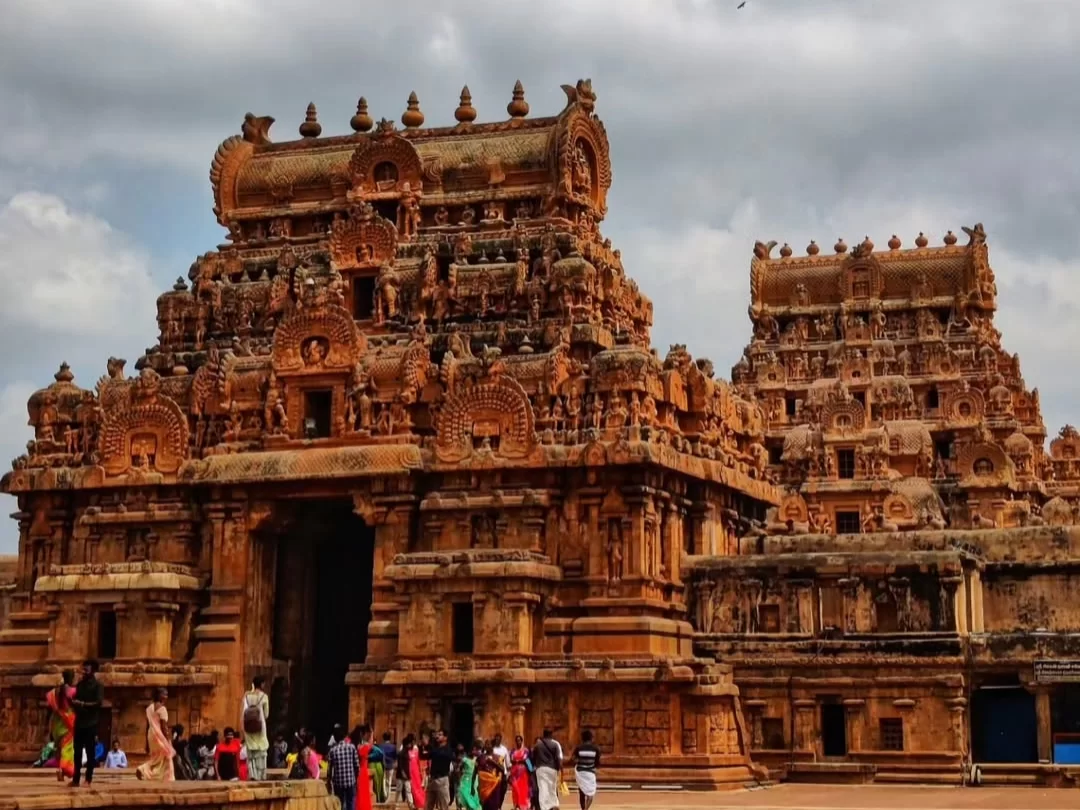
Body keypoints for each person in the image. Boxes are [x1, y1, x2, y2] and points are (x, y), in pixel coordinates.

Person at [70, 659, 104, 788]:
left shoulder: (98, 686)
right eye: (83, 668)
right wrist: (74, 703)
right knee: (77, 752)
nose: (84, 671)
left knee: (90, 753)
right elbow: (76, 698)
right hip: (79, 722)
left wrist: (83, 704)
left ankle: (88, 779)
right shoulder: (80, 685)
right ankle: (75, 779)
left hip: (91, 723)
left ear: (93, 670)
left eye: (87, 669)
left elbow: (98, 703)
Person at [135, 688, 175, 781]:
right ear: (160, 696)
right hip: (159, 735)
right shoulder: (162, 709)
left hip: (151, 734)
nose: (166, 697)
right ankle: (143, 768)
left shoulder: (149, 708)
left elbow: (149, 724)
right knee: (165, 756)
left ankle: (157, 776)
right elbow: (164, 727)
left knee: (158, 757)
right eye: (165, 694)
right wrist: (168, 739)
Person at [46, 669, 76, 781]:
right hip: (68, 721)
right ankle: (64, 769)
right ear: (71, 678)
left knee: (60, 747)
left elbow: (50, 707)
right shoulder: (73, 691)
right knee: (68, 748)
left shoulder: (55, 691)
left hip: (57, 722)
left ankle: (60, 770)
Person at [241, 676, 270, 781]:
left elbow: (243, 712)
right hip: (260, 726)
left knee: (251, 751)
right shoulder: (264, 697)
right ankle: (261, 775)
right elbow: (266, 714)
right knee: (261, 751)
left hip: (248, 726)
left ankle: (252, 775)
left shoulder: (247, 696)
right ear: (261, 684)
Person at [327, 726, 360, 810]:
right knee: (350, 803)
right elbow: (356, 765)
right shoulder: (351, 747)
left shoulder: (332, 750)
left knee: (340, 804)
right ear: (344, 736)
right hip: (350, 781)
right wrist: (356, 779)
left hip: (338, 782)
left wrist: (329, 781)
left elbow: (329, 769)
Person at [531, 729, 562, 810]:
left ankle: (544, 807)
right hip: (552, 768)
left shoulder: (537, 745)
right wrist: (559, 769)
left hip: (541, 768)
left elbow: (533, 758)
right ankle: (554, 805)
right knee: (552, 788)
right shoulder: (555, 744)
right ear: (551, 734)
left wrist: (534, 766)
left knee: (542, 788)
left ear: (543, 734)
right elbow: (558, 758)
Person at [570, 730, 600, 810]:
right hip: (590, 773)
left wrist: (578, 761)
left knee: (582, 793)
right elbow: (597, 762)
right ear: (591, 738)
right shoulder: (596, 748)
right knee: (591, 794)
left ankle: (583, 809)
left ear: (582, 738)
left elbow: (572, 759)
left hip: (581, 772)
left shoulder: (579, 748)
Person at [426, 730, 453, 810]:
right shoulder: (435, 749)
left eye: (440, 735)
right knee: (428, 805)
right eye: (437, 734)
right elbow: (426, 756)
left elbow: (444, 756)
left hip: (442, 780)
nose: (437, 736)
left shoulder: (448, 750)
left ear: (445, 738)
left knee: (444, 806)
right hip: (432, 779)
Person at [508, 736, 532, 810]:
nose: (518, 742)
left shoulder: (525, 751)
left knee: (523, 789)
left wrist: (517, 761)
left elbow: (526, 760)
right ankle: (516, 804)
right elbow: (511, 760)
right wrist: (519, 761)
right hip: (514, 773)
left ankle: (524, 805)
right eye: (517, 741)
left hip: (523, 773)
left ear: (522, 741)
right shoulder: (513, 751)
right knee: (515, 789)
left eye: (519, 740)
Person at [354, 726, 374, 810]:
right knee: (364, 793)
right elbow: (371, 744)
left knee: (359, 794)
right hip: (363, 771)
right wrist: (372, 733)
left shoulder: (357, 746)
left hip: (358, 771)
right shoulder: (365, 747)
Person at [454, 744, 480, 810]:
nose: (474, 751)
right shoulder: (464, 759)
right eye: (473, 750)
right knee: (465, 795)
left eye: (475, 750)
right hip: (465, 781)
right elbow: (458, 769)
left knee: (474, 797)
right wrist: (459, 776)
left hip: (474, 781)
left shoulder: (477, 759)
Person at [490, 734, 509, 807]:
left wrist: (508, 774)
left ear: (501, 739)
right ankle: (496, 806)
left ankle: (499, 805)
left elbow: (507, 762)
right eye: (496, 739)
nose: (497, 740)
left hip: (503, 772)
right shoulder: (491, 749)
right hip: (493, 773)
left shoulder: (504, 749)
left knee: (503, 790)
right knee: (495, 791)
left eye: (499, 739)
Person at [380, 732, 397, 799]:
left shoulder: (381, 746)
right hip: (390, 765)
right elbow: (395, 757)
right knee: (389, 781)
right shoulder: (393, 747)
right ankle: (388, 796)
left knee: (383, 780)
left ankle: (384, 794)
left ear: (383, 738)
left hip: (383, 765)